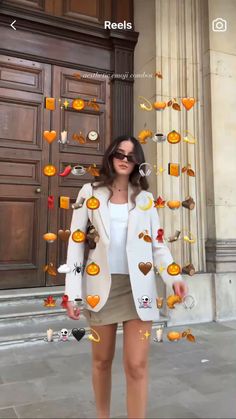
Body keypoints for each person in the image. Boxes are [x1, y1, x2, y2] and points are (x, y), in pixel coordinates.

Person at [65, 135, 188, 419]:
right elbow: (76, 243)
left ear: (137, 163)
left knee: (137, 365)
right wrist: (72, 293)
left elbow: (158, 245)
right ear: (111, 156)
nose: (124, 159)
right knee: (101, 361)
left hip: (139, 290)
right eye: (119, 153)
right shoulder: (89, 192)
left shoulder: (145, 199)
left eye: (131, 156)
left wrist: (173, 277)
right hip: (102, 288)